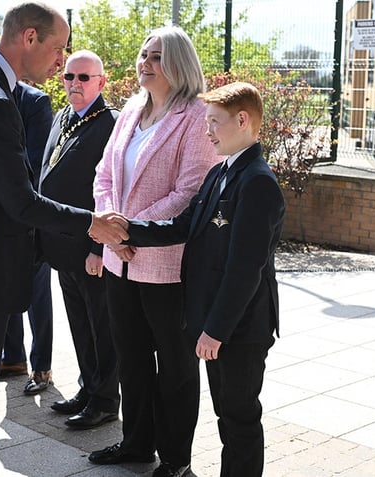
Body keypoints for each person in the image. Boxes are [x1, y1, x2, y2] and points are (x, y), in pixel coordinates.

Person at [0, 3, 128, 475]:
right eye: (57, 49)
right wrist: (92, 224)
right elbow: (21, 203)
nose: (61, 64)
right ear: (29, 37)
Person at [118, 81, 285, 477]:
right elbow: (183, 225)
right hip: (218, 324)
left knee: (239, 418)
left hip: (239, 329)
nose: (206, 130)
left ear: (242, 120)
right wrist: (126, 228)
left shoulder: (256, 181)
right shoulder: (221, 173)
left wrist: (215, 331)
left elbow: (246, 269)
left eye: (214, 122)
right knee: (227, 414)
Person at [89, 26, 219, 477]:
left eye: (156, 56)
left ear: (180, 63)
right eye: (143, 54)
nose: (144, 62)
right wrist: (109, 226)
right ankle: (137, 443)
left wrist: (131, 232)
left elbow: (191, 192)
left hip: (165, 263)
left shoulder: (196, 117)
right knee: (131, 356)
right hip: (118, 258)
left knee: (176, 367)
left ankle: (176, 459)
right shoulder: (130, 110)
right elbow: (103, 174)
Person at [38, 49, 121, 429]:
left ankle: (105, 399)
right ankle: (89, 387)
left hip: (90, 247)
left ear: (101, 82)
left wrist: (98, 248)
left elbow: (111, 191)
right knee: (79, 324)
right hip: (62, 245)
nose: (74, 84)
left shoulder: (111, 124)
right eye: (69, 77)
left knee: (101, 326)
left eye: (84, 78)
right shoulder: (62, 117)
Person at [0, 37, 56, 394]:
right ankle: (14, 357)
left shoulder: (34, 102)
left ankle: (42, 367)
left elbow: (35, 164)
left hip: (28, 215)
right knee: (4, 292)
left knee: (37, 293)